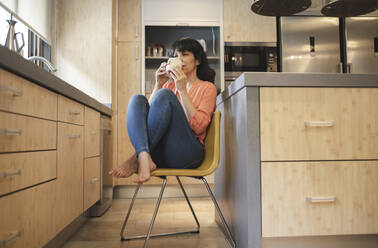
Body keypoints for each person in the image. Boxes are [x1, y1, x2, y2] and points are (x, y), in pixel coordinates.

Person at [109, 38, 217, 183]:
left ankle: (137, 159)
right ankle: (143, 155)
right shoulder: (167, 86)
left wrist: (182, 90)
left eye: (184, 54)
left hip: (189, 154)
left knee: (165, 95)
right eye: (175, 55)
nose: (179, 59)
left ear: (197, 61)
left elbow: (199, 128)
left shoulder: (207, 88)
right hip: (161, 153)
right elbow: (145, 120)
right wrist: (158, 85)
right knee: (137, 100)